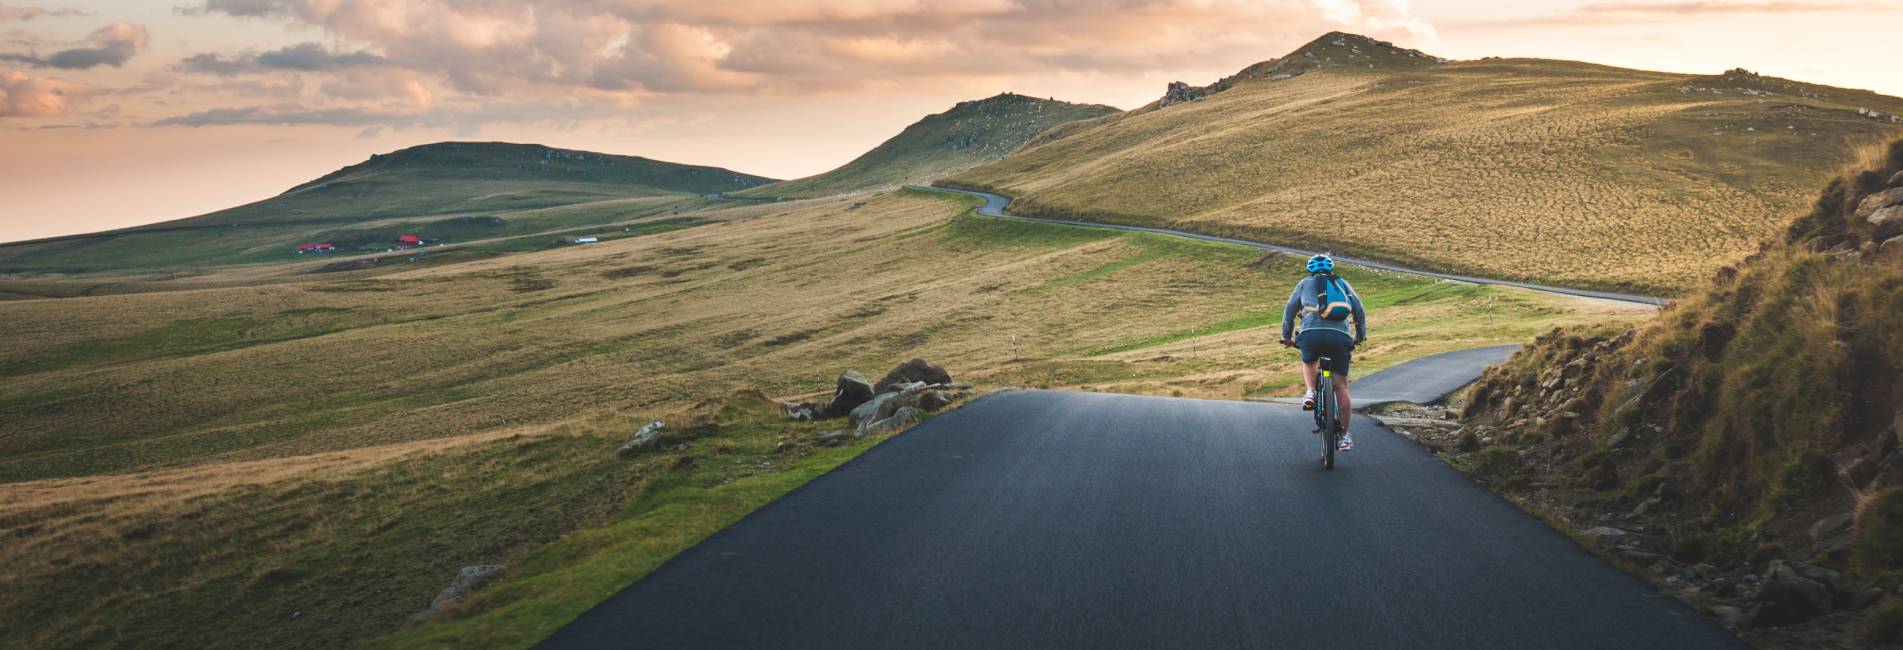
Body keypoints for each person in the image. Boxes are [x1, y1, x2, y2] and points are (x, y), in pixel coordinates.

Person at [1279, 254, 1367, 451]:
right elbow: (1359, 311)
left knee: (1309, 361)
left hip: (1311, 334)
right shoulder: (1342, 284)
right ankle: (1344, 437)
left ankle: (1310, 392)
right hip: (1340, 336)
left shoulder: (1304, 283)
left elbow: (1289, 311)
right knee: (1341, 386)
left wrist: (1286, 336)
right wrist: (1360, 337)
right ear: (1331, 269)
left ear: (1310, 270)